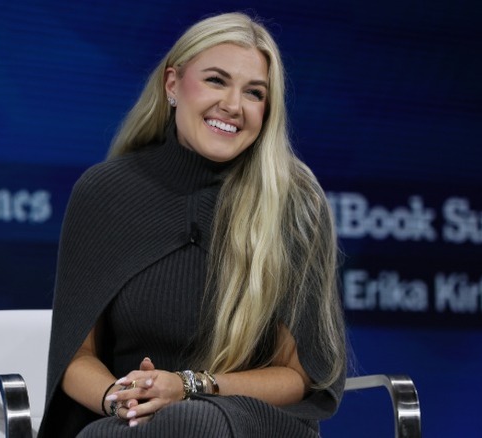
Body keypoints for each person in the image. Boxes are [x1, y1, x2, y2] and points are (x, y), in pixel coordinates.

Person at [37, 11, 347, 438]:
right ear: (172, 85)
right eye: (216, 81)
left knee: (188, 422)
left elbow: (300, 375)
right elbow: (75, 357)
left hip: (256, 424)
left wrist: (188, 387)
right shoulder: (105, 192)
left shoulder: (293, 202)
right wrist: (122, 397)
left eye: (254, 93)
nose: (233, 106)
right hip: (130, 424)